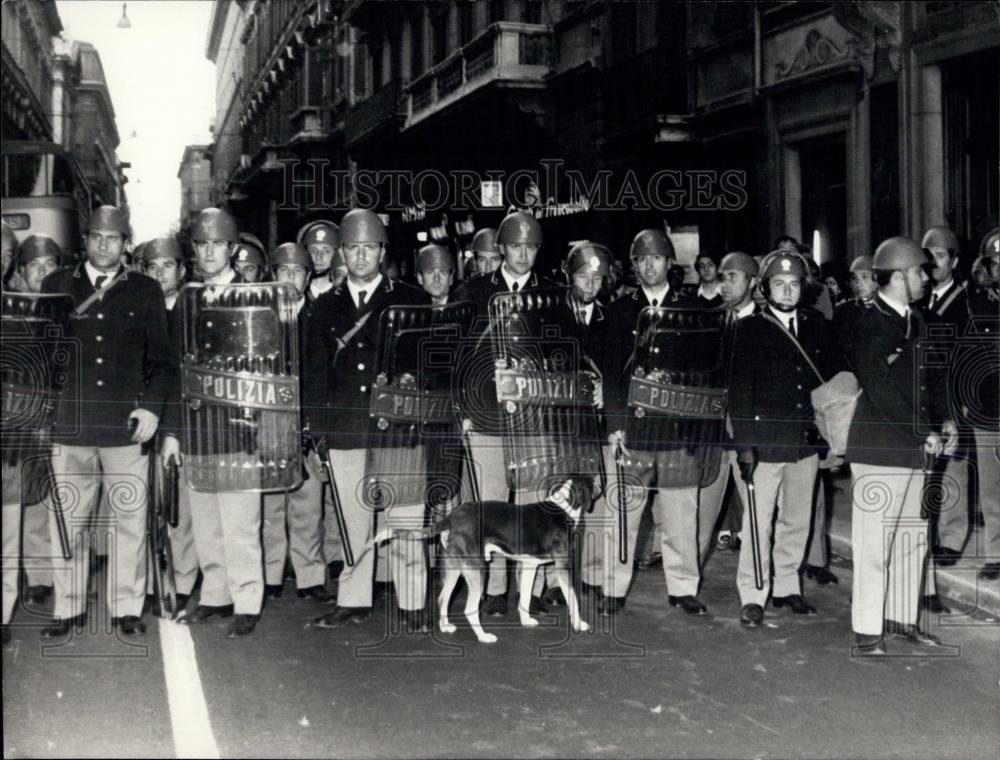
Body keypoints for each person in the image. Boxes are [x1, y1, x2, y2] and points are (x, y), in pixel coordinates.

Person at [40, 205, 176, 638]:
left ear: (125, 243)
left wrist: (152, 408)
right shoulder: (57, 286)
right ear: (86, 240)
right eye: (97, 236)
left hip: (124, 427)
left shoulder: (145, 290)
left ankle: (126, 607)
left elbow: (163, 363)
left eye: (113, 238)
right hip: (71, 425)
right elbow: (42, 358)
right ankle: (68, 607)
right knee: (67, 520)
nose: (104, 244)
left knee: (129, 520)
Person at [305, 209, 430, 630]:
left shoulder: (412, 300)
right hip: (345, 429)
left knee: (406, 518)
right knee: (352, 521)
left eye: (369, 248)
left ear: (382, 251)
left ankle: (412, 602)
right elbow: (315, 374)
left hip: (400, 429)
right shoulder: (323, 307)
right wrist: (319, 433)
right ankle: (353, 598)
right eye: (353, 248)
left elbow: (432, 365)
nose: (360, 256)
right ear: (342, 252)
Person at [599, 228, 721, 617]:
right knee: (623, 511)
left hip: (676, 430)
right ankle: (613, 587)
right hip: (633, 430)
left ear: (671, 263)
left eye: (656, 258)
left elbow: (706, 373)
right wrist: (615, 424)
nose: (649, 265)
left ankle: (683, 586)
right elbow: (610, 375)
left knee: (681, 514)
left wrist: (696, 426)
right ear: (633, 266)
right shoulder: (619, 311)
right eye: (641, 259)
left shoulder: (692, 311)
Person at [845, 236, 958, 654]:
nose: (925, 278)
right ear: (896, 276)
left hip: (918, 447)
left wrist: (945, 419)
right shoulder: (867, 324)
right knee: (875, 543)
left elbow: (937, 378)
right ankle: (868, 628)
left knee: (913, 538)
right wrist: (921, 429)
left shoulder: (922, 320)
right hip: (878, 448)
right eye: (918, 272)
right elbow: (879, 389)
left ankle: (901, 617)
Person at [166, 207, 265, 637]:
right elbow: (171, 370)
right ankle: (215, 595)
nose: (208, 253)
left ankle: (247, 600)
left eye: (216, 245)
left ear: (232, 249)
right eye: (201, 245)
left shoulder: (256, 297)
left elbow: (270, 367)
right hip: (197, 426)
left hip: (242, 427)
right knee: (206, 521)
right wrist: (171, 432)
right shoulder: (185, 300)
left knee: (241, 523)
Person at [452, 211, 556, 616]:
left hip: (534, 414)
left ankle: (532, 588)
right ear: (501, 249)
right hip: (486, 412)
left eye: (531, 247)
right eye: (516, 246)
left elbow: (564, 350)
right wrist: (463, 406)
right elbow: (458, 355)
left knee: (533, 501)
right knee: (490, 503)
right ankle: (493, 589)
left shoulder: (552, 294)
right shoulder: (474, 292)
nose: (523, 254)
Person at [730, 250, 840, 628]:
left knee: (797, 518)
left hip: (804, 440)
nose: (788, 291)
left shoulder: (817, 326)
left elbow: (827, 379)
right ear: (765, 288)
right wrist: (744, 443)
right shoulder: (749, 329)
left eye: (794, 285)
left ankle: (788, 587)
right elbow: (739, 391)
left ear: (803, 289)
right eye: (779, 284)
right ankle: (753, 593)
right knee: (758, 522)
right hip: (762, 442)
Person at [260, 243, 332, 604]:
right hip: (269, 423)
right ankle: (271, 572)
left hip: (306, 424)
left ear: (308, 278)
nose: (291, 278)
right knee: (270, 505)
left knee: (309, 505)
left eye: (298, 272)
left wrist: (315, 429)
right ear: (273, 276)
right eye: (284, 271)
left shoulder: (321, 317)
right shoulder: (257, 317)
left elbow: (323, 378)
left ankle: (309, 574)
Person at [142, 237, 198, 611]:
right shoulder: (137, 307)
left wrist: (174, 430)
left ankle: (183, 582)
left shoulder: (192, 310)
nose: (160, 273)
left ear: (181, 270)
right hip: (142, 420)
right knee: (142, 509)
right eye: (152, 266)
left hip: (178, 420)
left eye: (167, 265)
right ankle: (148, 586)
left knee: (179, 510)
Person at [918, 227, 971, 586]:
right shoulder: (916, 299)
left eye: (939, 256)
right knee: (925, 470)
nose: (932, 263)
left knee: (953, 468)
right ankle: (928, 533)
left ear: (954, 260)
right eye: (928, 256)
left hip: (953, 395)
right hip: (922, 395)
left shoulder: (966, 302)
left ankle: (952, 537)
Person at [708, 252, 761, 558]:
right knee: (701, 515)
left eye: (733, 277)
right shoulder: (710, 320)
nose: (725, 284)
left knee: (757, 511)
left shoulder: (764, 324)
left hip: (748, 431)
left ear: (752, 282)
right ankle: (685, 586)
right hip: (711, 431)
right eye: (722, 277)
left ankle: (756, 583)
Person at [964, 230, 999, 581]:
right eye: (997, 263)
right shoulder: (974, 301)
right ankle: (996, 552)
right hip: (987, 408)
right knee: (991, 487)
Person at [298, 220, 342, 303]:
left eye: (326, 251)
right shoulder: (298, 294)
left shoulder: (344, 294)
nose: (318, 257)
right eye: (313, 250)